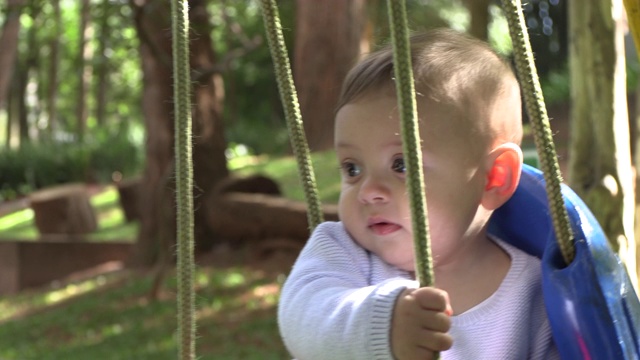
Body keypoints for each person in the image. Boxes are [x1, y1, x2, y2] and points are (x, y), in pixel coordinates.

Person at [278, 28, 559, 360]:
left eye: (401, 164)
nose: (368, 191)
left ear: (494, 178)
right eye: (353, 169)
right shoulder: (342, 250)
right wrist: (381, 324)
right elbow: (302, 316)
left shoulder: (533, 291)